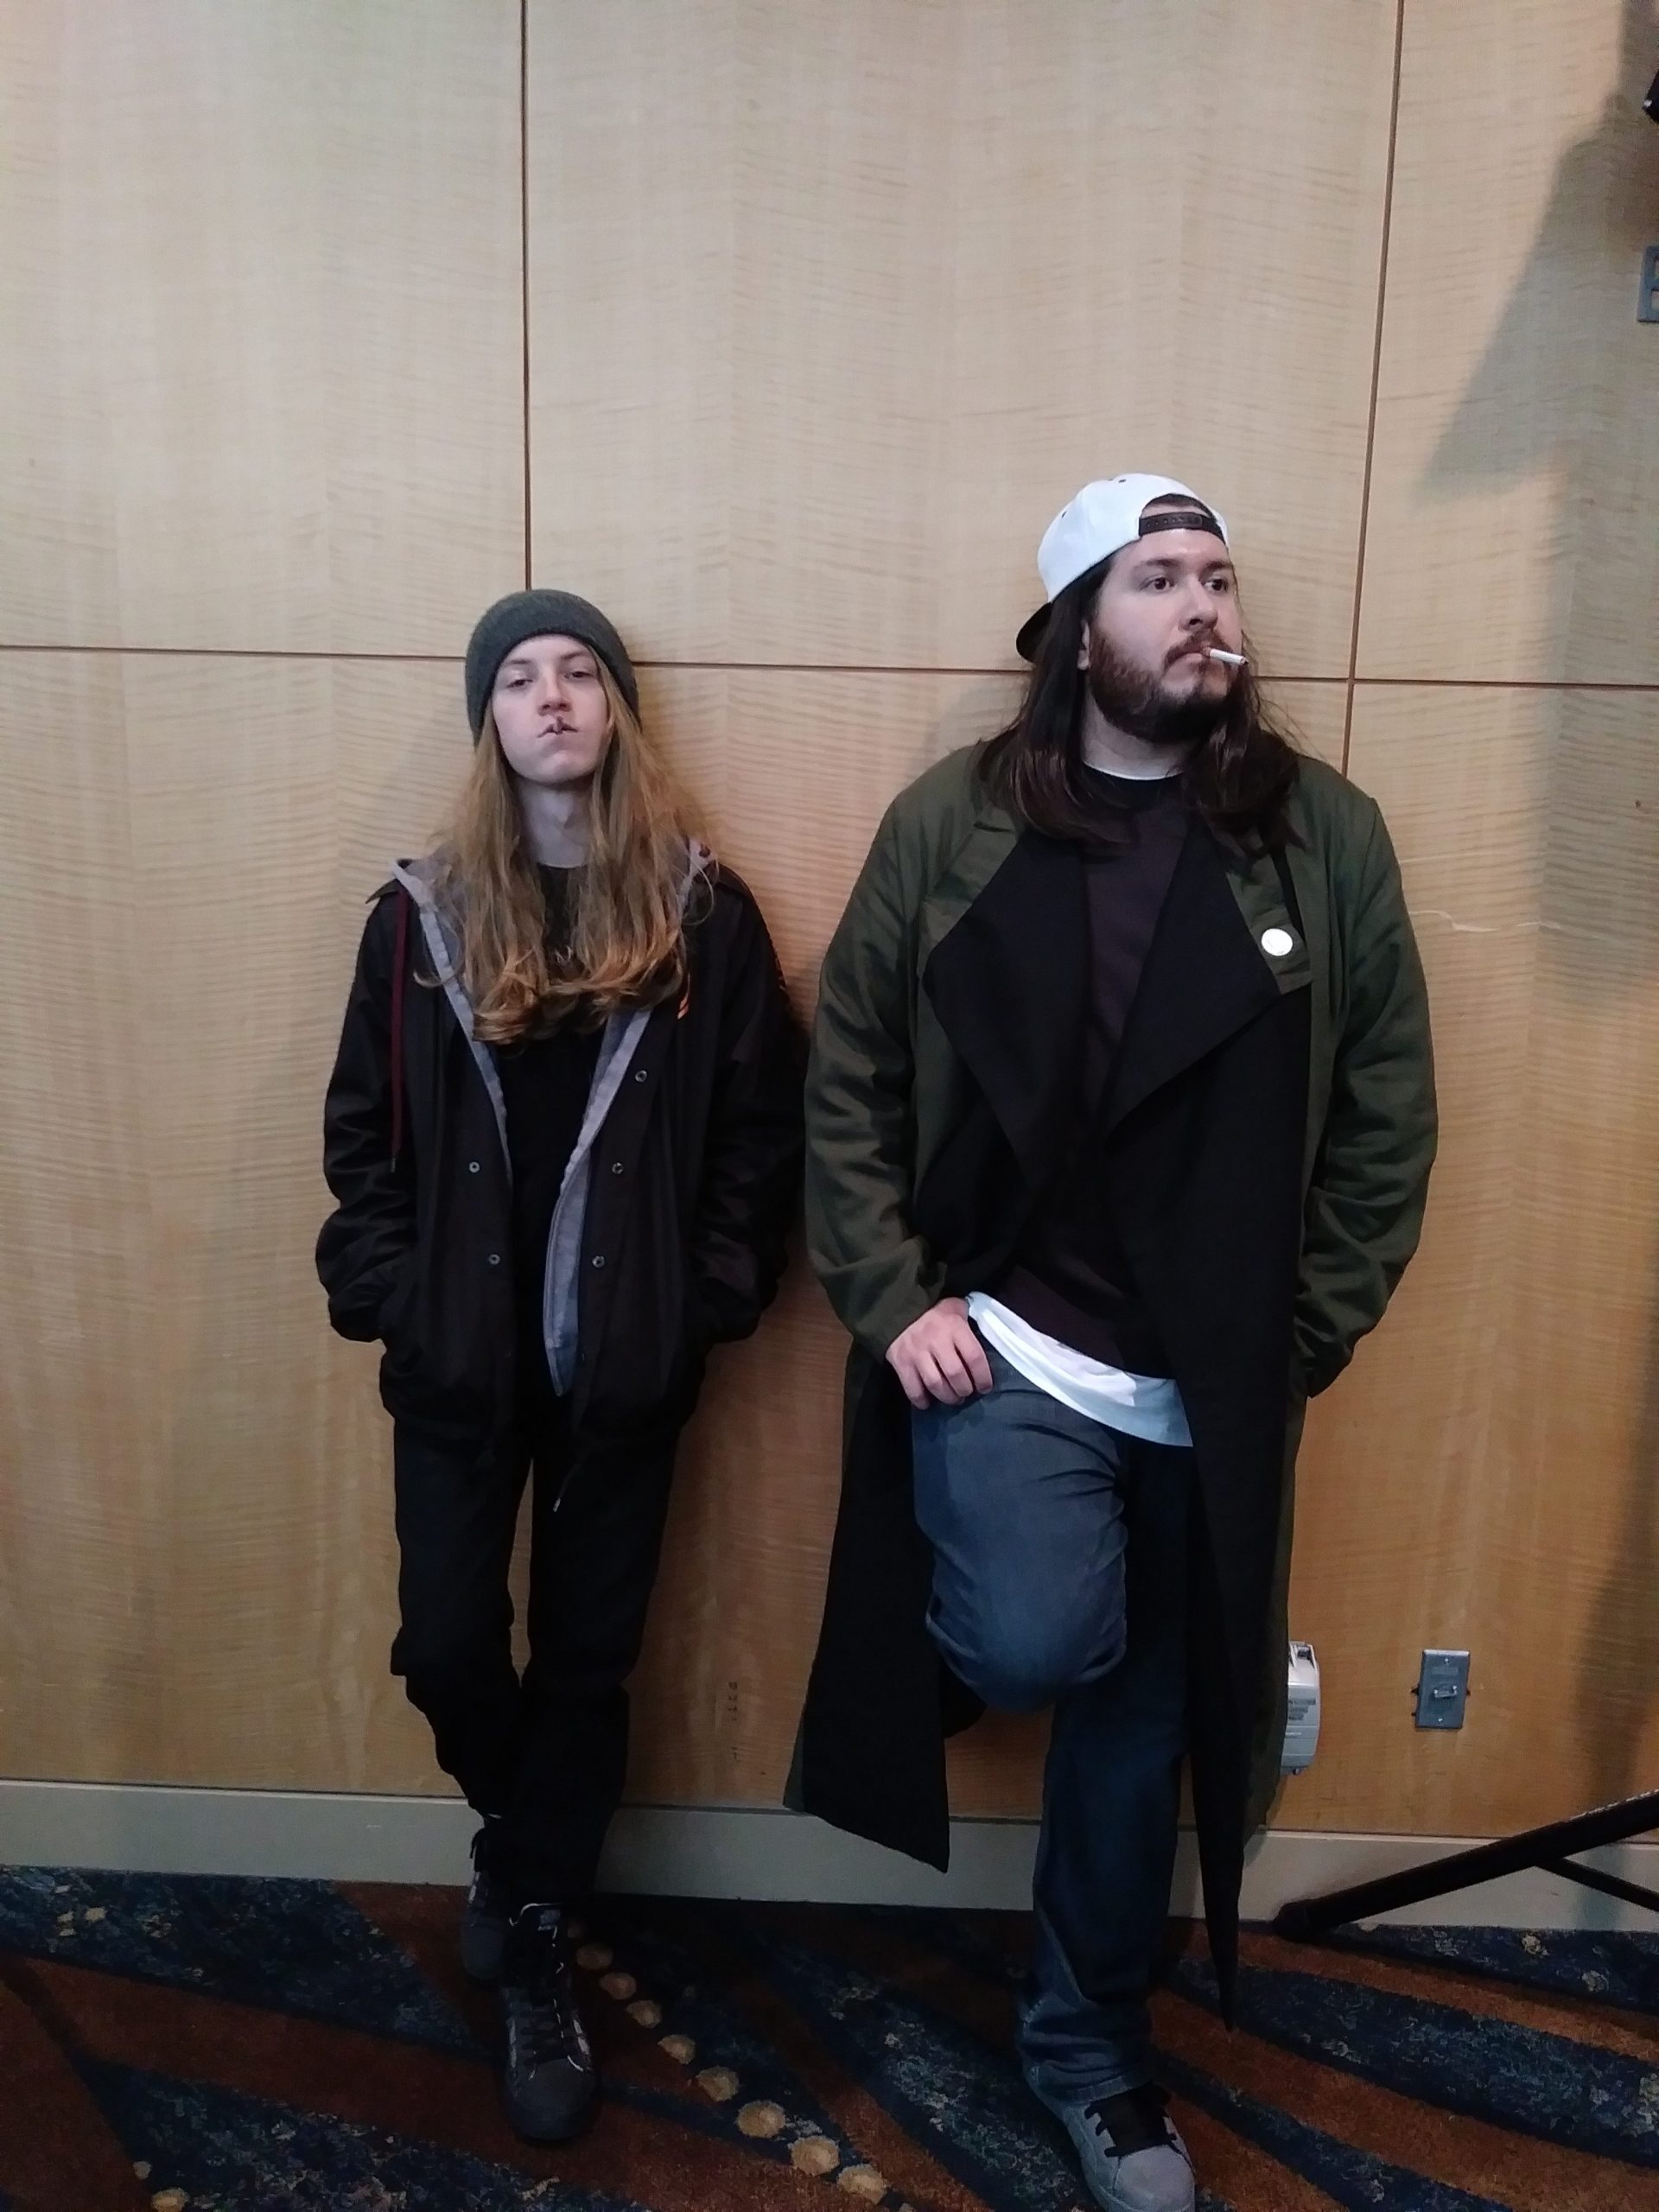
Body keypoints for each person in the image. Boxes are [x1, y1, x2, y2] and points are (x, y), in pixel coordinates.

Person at [792, 477, 1436, 2212]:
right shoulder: (958, 822)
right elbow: (849, 1068)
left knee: (1146, 1740)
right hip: (1019, 1337)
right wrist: (895, 1294)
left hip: (1214, 1382)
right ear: (1079, 631)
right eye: (1159, 579)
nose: (1205, 606)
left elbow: (1387, 1111)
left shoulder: (1323, 835)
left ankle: (1089, 2052)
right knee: (1034, 1633)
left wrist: (1301, 1336)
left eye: (1218, 577)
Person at [317, 589, 802, 2143]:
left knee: (588, 1666)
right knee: (449, 1648)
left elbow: (761, 1139)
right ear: (490, 721)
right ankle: (526, 1853)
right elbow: (359, 1137)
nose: (551, 697)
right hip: (457, 1362)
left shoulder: (703, 916)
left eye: (579, 672)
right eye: (519, 677)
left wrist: (705, 1301)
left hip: (624, 1368)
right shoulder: (420, 918)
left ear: (616, 710)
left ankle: (530, 1927)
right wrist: (390, 1296)